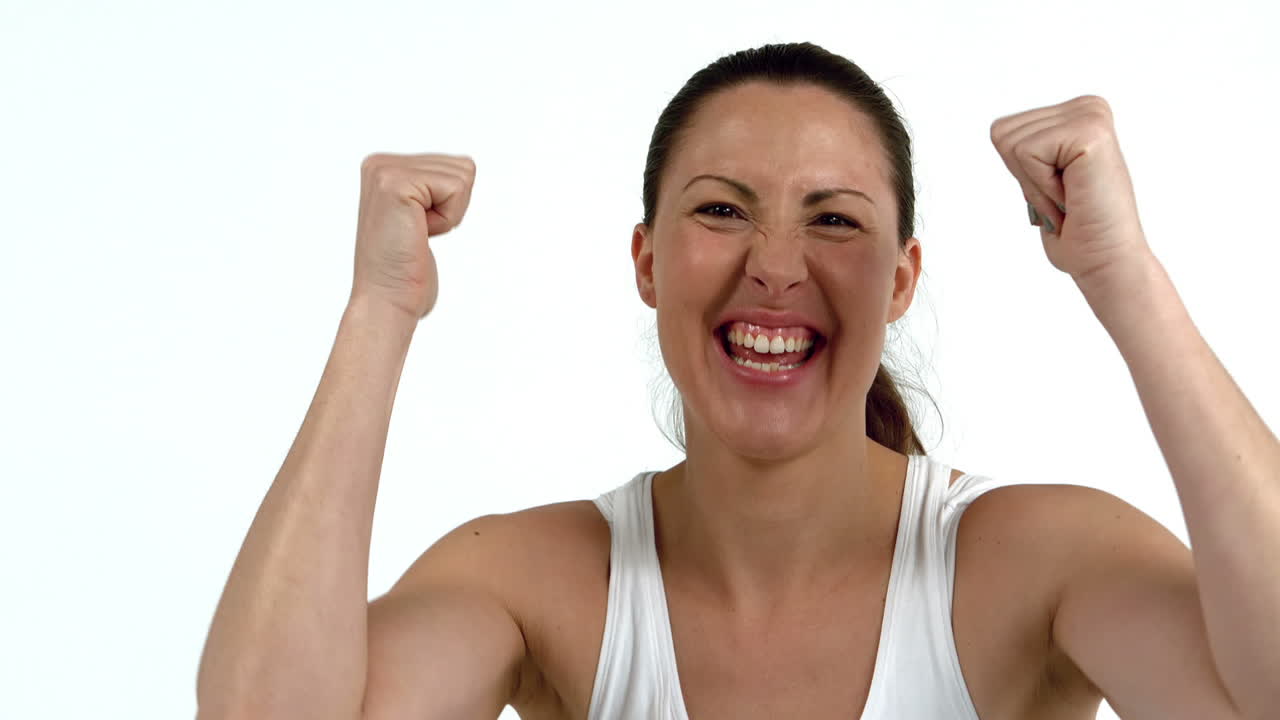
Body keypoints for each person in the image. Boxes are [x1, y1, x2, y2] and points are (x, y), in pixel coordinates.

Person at [197, 42, 1273, 720]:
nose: (772, 263)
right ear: (648, 262)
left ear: (900, 282)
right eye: (720, 208)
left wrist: (1121, 279)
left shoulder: (1030, 561)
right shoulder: (537, 583)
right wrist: (379, 312)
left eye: (834, 219)